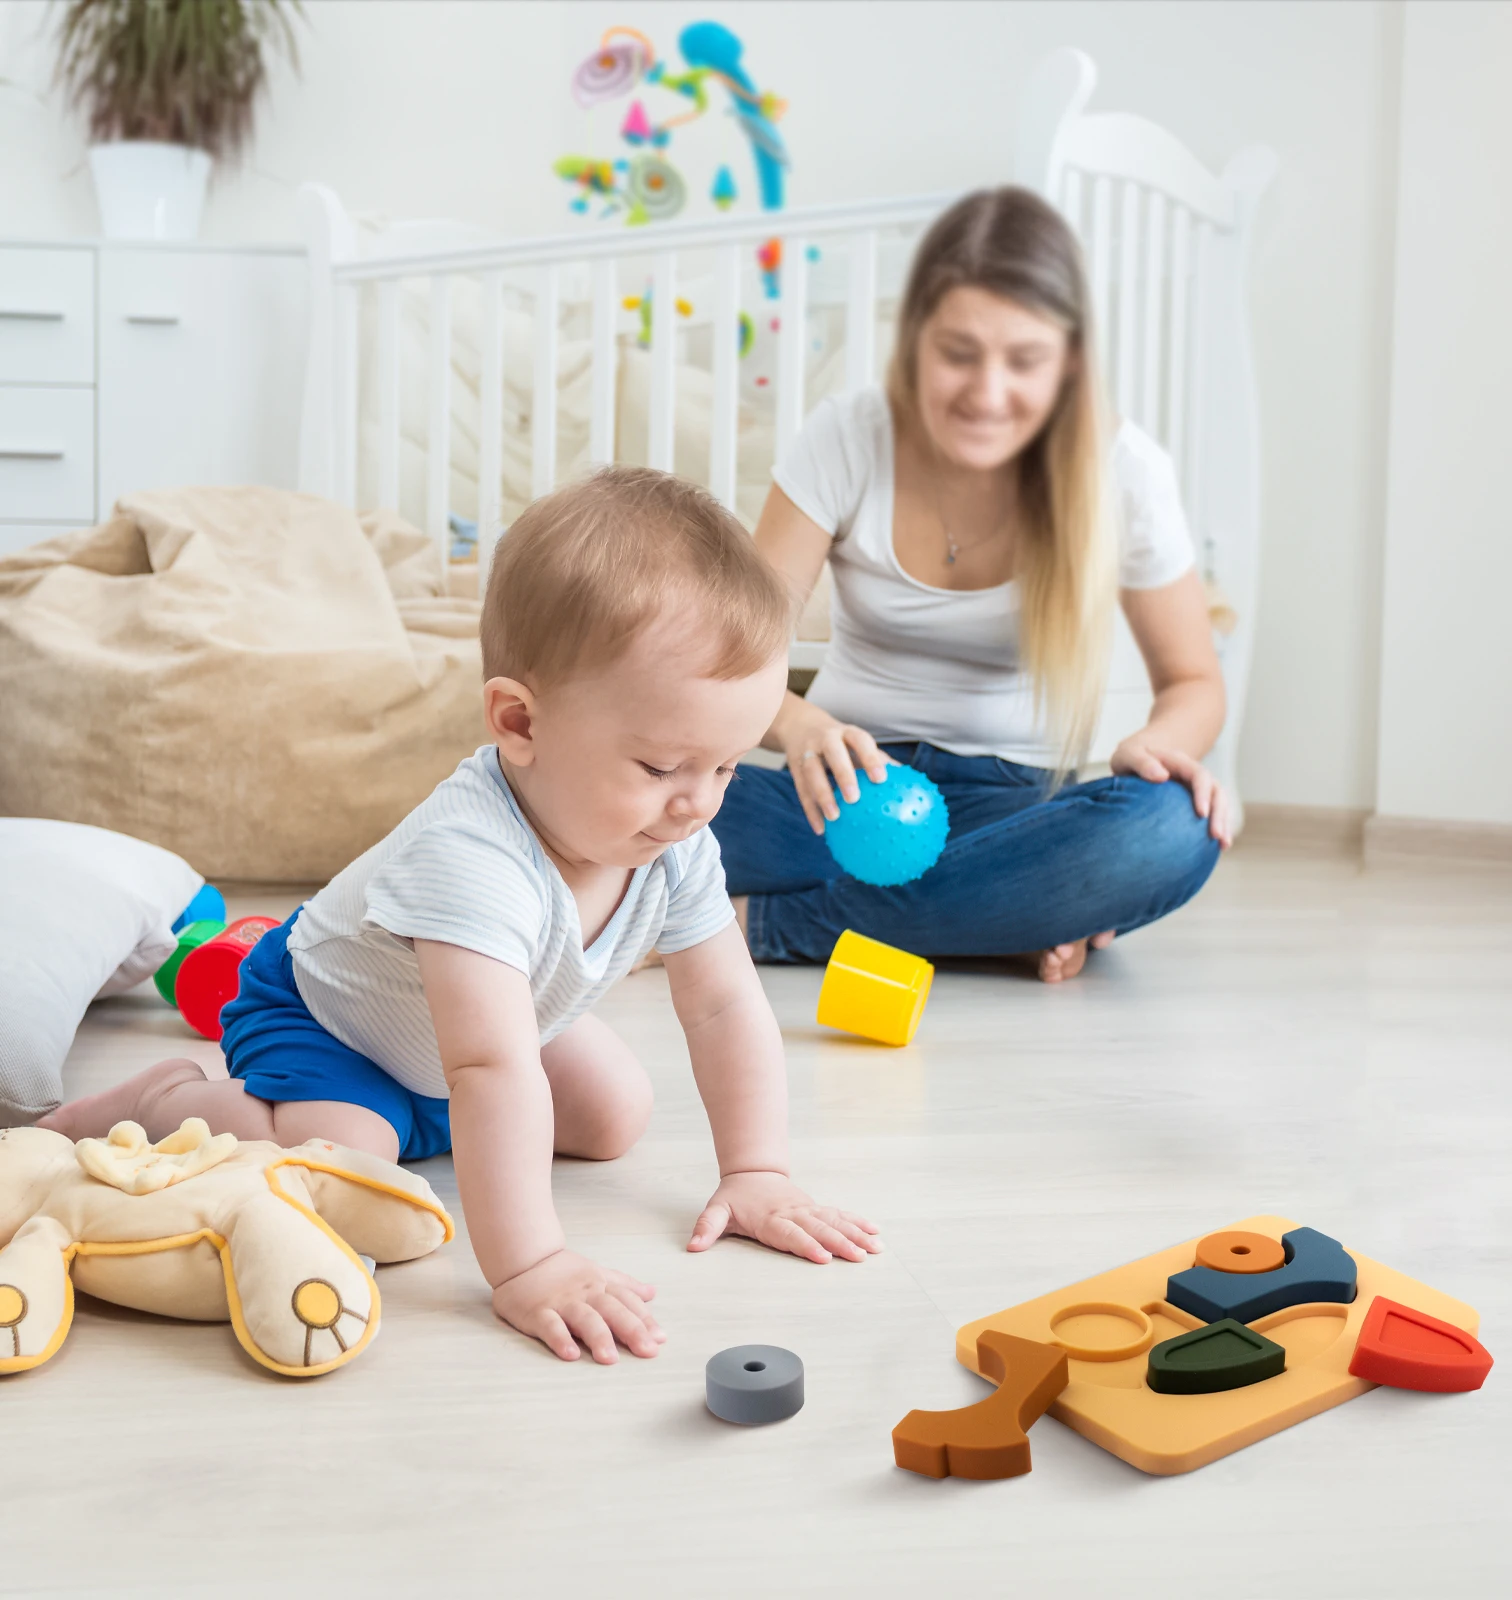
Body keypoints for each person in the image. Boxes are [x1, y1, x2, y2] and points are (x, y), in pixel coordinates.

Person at [42, 468, 879, 1364]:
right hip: (334, 1022)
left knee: (615, 1115)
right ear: (519, 722)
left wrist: (756, 1172)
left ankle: (425, 1124)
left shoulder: (670, 842)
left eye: (724, 767)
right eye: (663, 766)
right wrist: (530, 1264)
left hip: (487, 1026)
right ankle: (170, 1096)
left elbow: (722, 1007)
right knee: (348, 1158)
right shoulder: (471, 858)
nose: (699, 805)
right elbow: (487, 1066)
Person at [713, 186, 1229, 982]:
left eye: (1023, 361)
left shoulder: (1125, 472)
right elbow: (732, 659)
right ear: (915, 339)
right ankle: (988, 919)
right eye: (959, 352)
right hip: (841, 795)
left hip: (1015, 812)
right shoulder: (848, 436)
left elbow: (1195, 681)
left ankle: (767, 926)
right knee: (647, 801)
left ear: (1069, 362)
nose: (987, 394)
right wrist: (800, 725)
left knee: (1171, 828)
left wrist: (1157, 747)